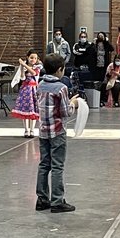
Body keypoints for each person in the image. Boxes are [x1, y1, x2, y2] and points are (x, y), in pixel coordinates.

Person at [35, 53, 79, 213]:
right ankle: (57, 200)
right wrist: (73, 103)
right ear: (60, 69)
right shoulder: (61, 88)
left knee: (44, 164)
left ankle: (42, 199)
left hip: (43, 131)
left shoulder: (40, 85)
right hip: (58, 131)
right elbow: (66, 112)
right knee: (57, 166)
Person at [12, 50, 42, 138]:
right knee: (25, 110)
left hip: (34, 90)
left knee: (33, 110)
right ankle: (26, 130)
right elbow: (22, 77)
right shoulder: (24, 66)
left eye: (35, 58)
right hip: (25, 90)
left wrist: (24, 64)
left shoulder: (37, 67)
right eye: (31, 58)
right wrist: (22, 67)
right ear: (27, 57)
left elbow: (34, 73)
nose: (33, 60)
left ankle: (32, 130)